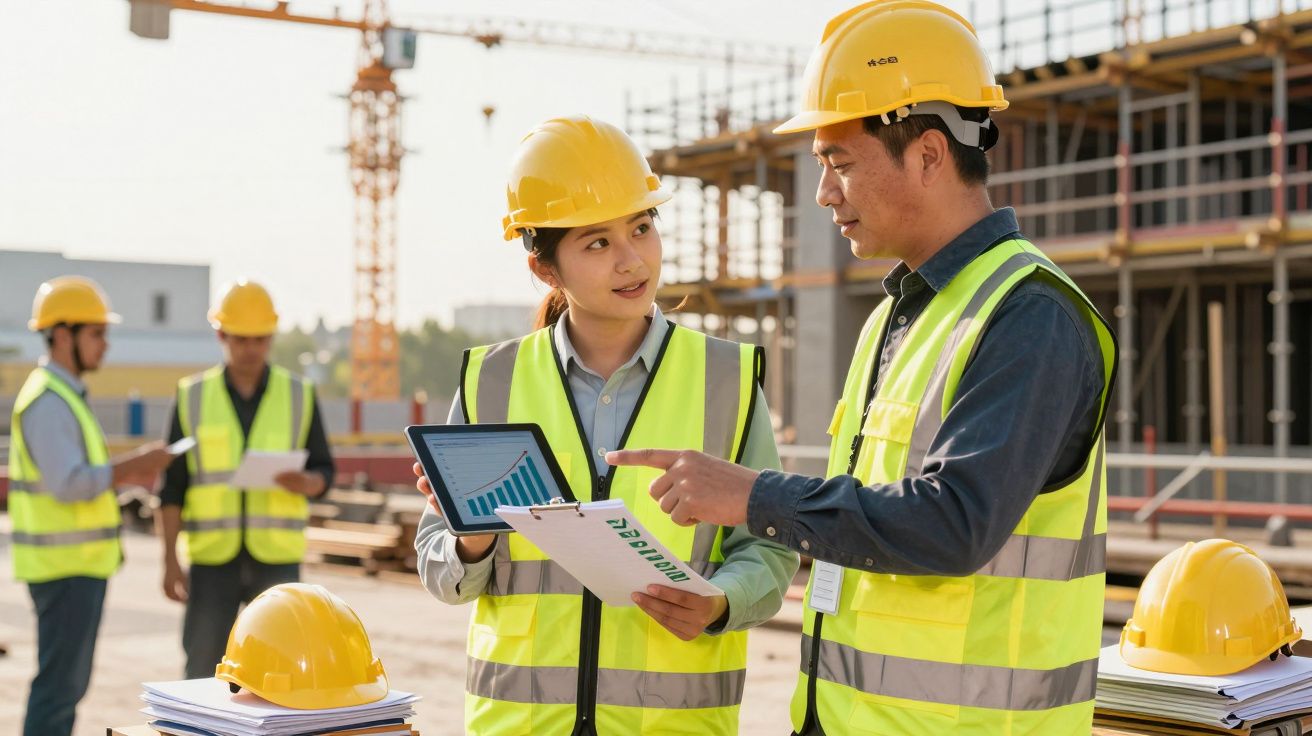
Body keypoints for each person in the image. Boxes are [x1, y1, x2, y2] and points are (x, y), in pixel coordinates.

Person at [608, 2, 1119, 733]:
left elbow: (954, 525)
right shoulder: (897, 316)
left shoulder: (1029, 315)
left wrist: (753, 498)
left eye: (840, 164)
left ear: (930, 154)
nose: (823, 194)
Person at [412, 115, 799, 735]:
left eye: (642, 228)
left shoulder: (725, 379)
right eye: (598, 243)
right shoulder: (492, 383)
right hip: (522, 724)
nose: (632, 260)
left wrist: (722, 601)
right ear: (546, 268)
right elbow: (442, 571)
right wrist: (470, 538)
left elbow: (770, 545)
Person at [11, 276, 174, 736]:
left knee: (66, 688)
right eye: (96, 333)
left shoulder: (62, 395)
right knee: (59, 691)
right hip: (63, 571)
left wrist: (124, 480)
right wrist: (134, 465)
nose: (105, 344)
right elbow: (69, 485)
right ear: (62, 335)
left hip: (74, 568)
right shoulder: (47, 400)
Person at [157, 279, 335, 679]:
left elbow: (326, 470)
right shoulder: (192, 396)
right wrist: (169, 560)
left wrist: (311, 484)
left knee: (281, 673)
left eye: (259, 339)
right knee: (203, 671)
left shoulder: (299, 394)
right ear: (221, 335)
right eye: (241, 339)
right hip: (211, 562)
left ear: (271, 337)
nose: (251, 349)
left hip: (277, 560)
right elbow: (171, 490)